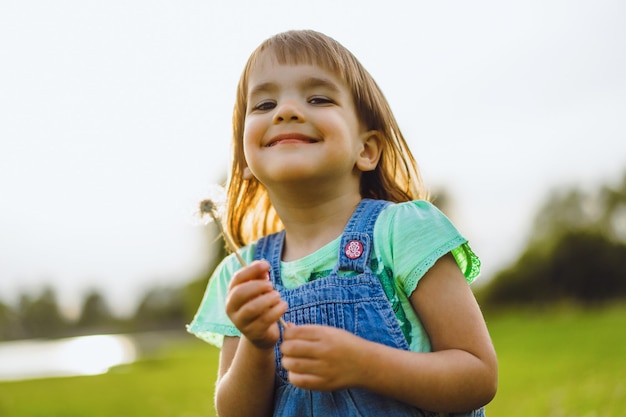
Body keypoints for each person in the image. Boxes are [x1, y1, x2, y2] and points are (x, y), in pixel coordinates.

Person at [188, 29, 497, 417]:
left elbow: (478, 377)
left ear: (366, 149)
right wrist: (256, 343)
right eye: (264, 104)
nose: (285, 111)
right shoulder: (242, 274)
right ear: (246, 161)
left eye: (317, 98)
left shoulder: (402, 231)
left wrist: (365, 364)